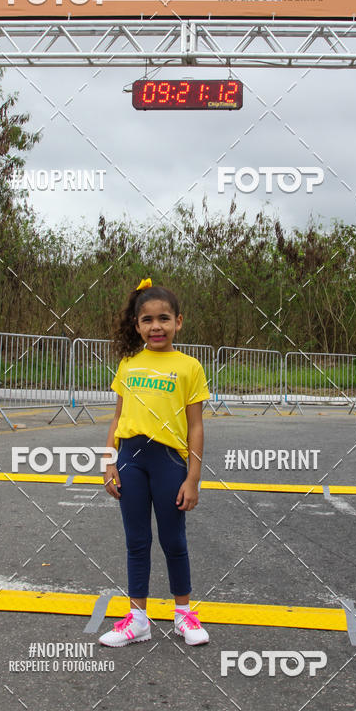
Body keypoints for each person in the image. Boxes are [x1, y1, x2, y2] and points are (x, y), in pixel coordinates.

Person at [98, 278, 211, 648]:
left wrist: (193, 478)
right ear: (137, 325)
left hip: (168, 463)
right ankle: (138, 620)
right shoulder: (129, 364)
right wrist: (109, 462)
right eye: (147, 320)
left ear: (179, 321)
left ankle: (184, 615)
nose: (156, 326)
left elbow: (195, 426)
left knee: (173, 540)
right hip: (130, 459)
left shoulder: (189, 366)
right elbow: (117, 419)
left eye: (164, 318)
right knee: (137, 541)